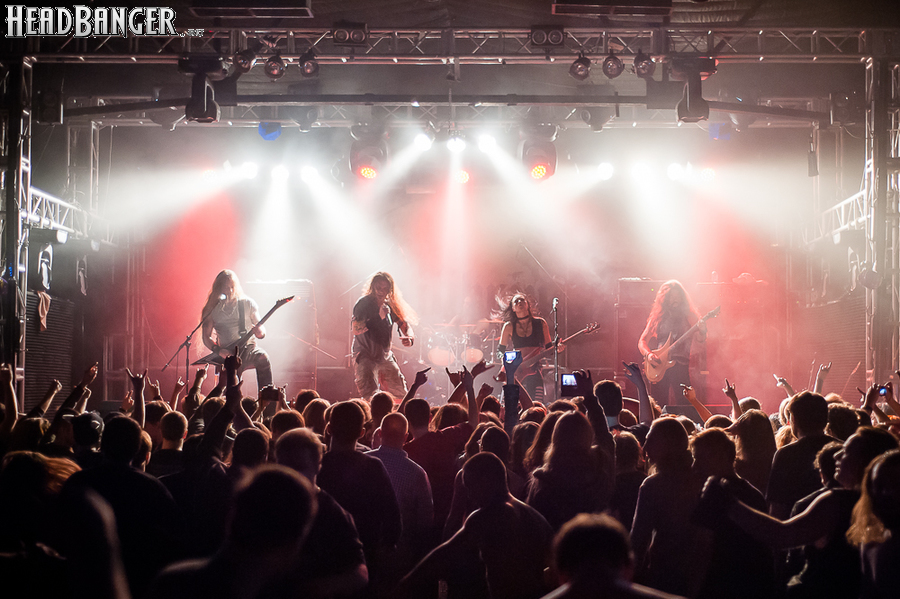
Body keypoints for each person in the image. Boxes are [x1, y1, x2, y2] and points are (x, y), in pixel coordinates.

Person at [200, 270, 272, 390]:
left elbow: (260, 327)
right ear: (219, 288)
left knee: (263, 357)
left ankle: (267, 396)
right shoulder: (211, 309)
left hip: (249, 349)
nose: (230, 291)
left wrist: (260, 333)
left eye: (232, 287)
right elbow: (206, 337)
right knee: (229, 389)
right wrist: (219, 350)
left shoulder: (248, 303)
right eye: (226, 287)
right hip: (227, 354)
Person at [638, 280, 706, 406]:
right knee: (657, 404)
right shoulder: (657, 317)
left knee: (684, 404)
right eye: (671, 296)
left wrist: (702, 331)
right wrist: (649, 355)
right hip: (659, 364)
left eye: (678, 296)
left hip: (681, 366)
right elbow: (642, 341)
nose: (675, 300)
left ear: (682, 298)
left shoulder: (690, 316)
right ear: (664, 298)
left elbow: (700, 340)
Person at [351, 271, 417, 398]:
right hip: (365, 354)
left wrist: (409, 337)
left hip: (384, 355)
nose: (381, 291)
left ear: (389, 290)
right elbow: (356, 329)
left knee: (400, 393)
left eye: (385, 288)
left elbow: (405, 325)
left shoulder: (390, 305)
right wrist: (379, 317)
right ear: (373, 286)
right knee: (370, 395)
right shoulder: (363, 304)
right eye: (378, 287)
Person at [497, 293, 556, 403]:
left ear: (528, 304)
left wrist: (558, 349)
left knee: (536, 405)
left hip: (534, 369)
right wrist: (506, 363)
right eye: (516, 301)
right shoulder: (508, 326)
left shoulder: (541, 323)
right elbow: (500, 351)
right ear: (513, 308)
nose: (520, 302)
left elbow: (550, 349)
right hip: (516, 370)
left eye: (522, 300)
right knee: (509, 404)